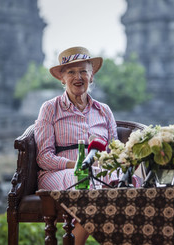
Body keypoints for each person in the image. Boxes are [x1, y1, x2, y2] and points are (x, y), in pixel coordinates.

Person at [34, 46, 138, 244]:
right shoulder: (50, 108)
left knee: (127, 185)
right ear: (62, 78)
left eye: (83, 71)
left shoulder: (104, 110)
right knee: (86, 181)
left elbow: (114, 152)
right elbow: (44, 158)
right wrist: (77, 165)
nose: (78, 77)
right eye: (71, 72)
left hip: (99, 171)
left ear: (92, 76)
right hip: (59, 173)